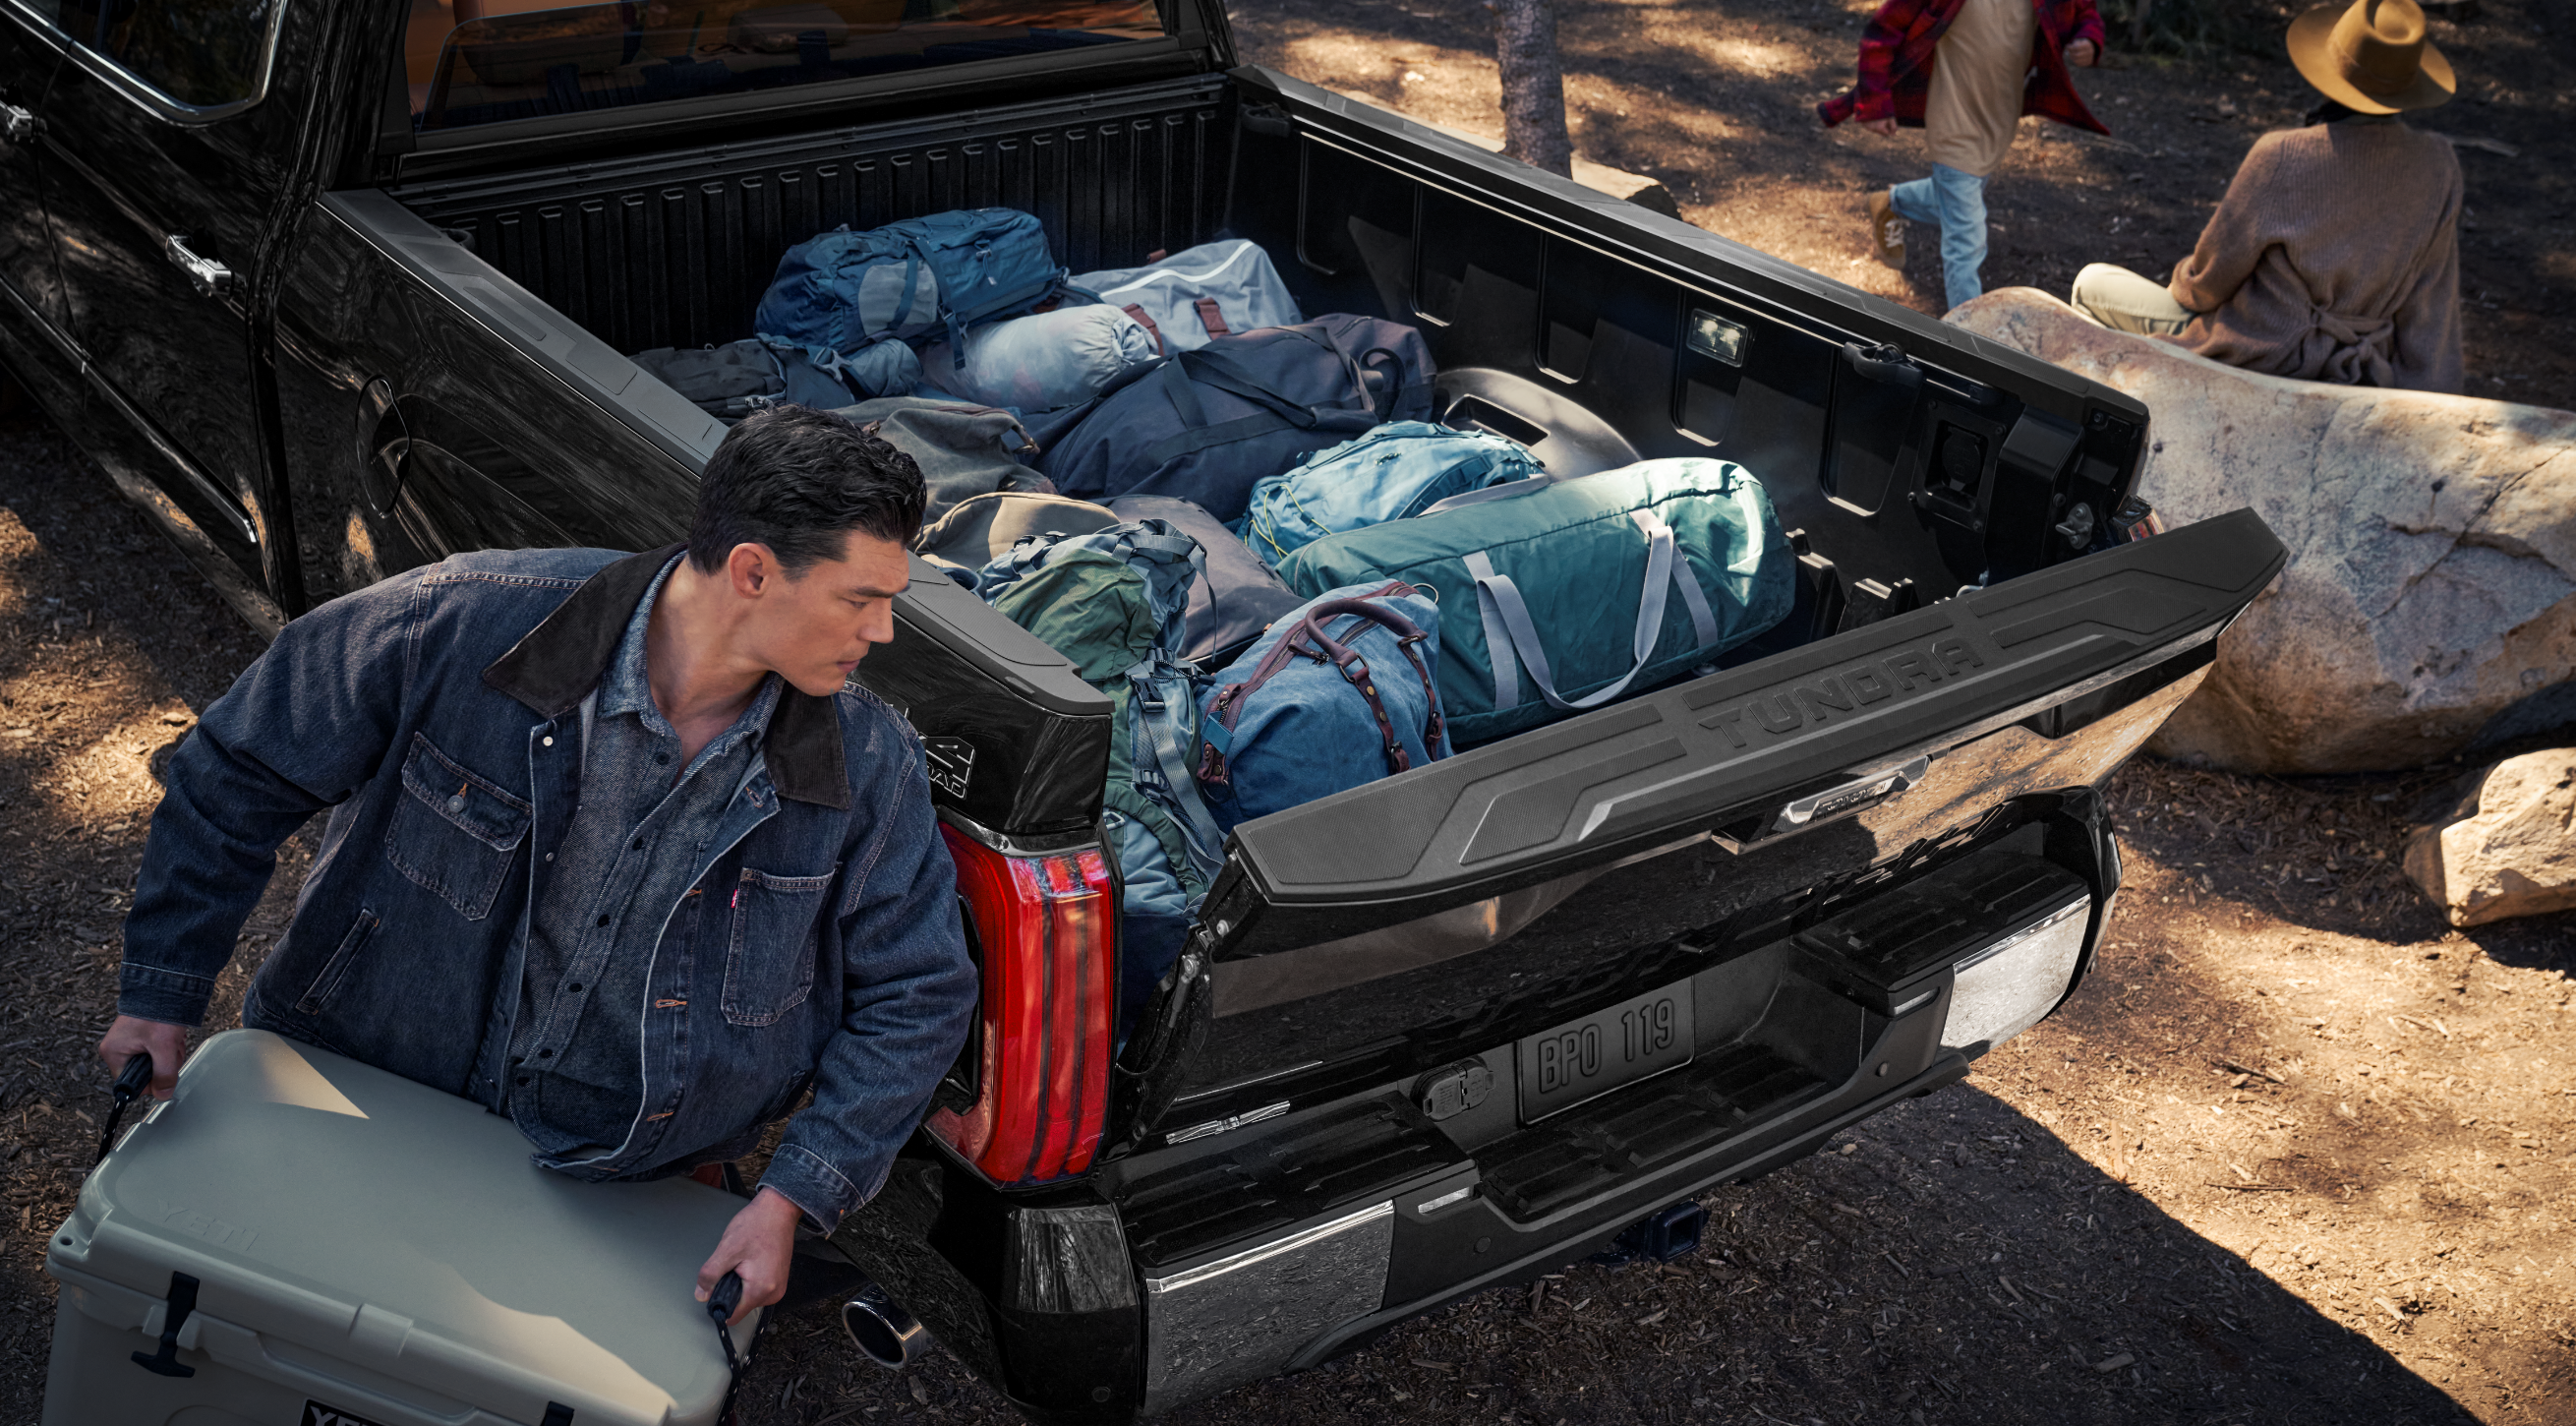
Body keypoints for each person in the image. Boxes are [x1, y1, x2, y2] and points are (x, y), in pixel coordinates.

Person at [95, 406, 978, 1326]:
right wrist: (162, 991)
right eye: (861, 599)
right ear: (753, 570)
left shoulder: (871, 765)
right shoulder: (458, 620)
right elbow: (239, 765)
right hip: (361, 1097)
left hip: (626, 1172)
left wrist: (792, 1196)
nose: (881, 633)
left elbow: (918, 992)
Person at [2068, 0, 2463, 393]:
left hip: (2256, 353)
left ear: (2331, 70)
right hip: (2358, 371)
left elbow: (2207, 284)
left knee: (2092, 283)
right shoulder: (2440, 164)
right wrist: (2428, 400)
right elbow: (2431, 303)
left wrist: (2186, 280)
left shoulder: (2283, 155)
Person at [1820, 0, 2108, 311]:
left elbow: (2084, 11)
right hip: (1953, 121)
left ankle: (1892, 201)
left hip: (1998, 117)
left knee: (1956, 197)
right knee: (1966, 239)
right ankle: (1967, 335)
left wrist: (2089, 40)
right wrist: (1874, 101)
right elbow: (1884, 29)